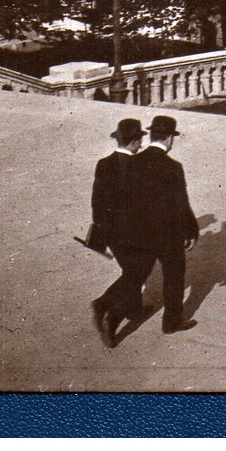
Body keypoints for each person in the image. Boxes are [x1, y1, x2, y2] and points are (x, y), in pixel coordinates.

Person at [123, 115, 199, 335]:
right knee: (174, 276)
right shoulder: (173, 166)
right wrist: (191, 231)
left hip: (139, 231)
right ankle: (171, 322)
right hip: (168, 233)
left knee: (135, 273)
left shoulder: (132, 161)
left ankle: (122, 313)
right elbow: (181, 203)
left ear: (152, 135)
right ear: (169, 139)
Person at [88, 118, 145, 348]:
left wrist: (101, 230)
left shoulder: (104, 163)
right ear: (133, 142)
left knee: (131, 270)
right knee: (136, 273)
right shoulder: (140, 166)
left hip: (110, 233)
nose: (141, 145)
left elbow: (97, 201)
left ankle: (134, 308)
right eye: (139, 140)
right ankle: (109, 311)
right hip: (134, 233)